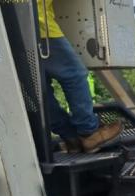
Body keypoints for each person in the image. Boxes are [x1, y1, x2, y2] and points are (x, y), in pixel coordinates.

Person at [38, 0, 122, 154]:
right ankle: (89, 132)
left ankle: (70, 137)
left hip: (17, 26)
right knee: (74, 74)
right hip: (41, 26)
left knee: (39, 88)